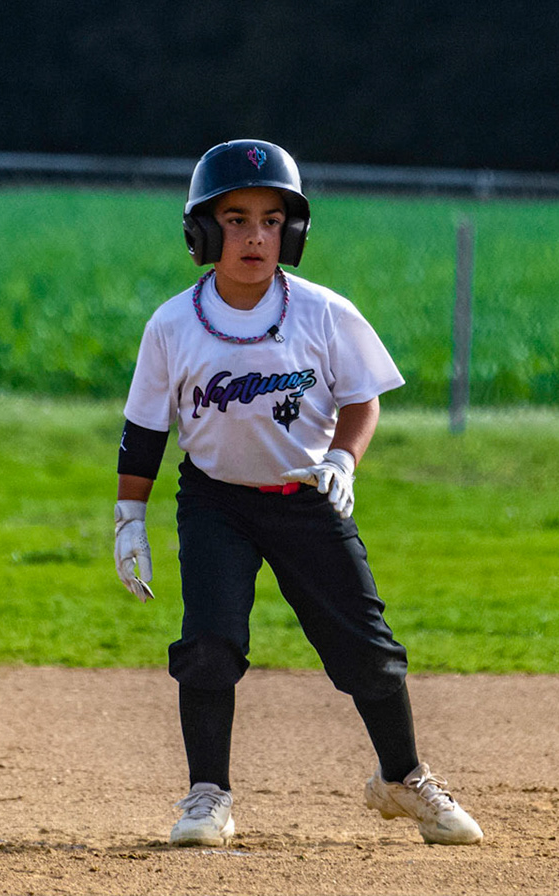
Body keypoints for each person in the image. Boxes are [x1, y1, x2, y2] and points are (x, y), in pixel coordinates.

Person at [113, 139, 481, 847]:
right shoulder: (173, 324)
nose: (256, 236)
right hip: (217, 499)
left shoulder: (322, 312)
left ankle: (402, 780)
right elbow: (144, 429)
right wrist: (130, 516)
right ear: (202, 230)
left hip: (308, 496)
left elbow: (362, 398)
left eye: (273, 220)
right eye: (237, 218)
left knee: (367, 650)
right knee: (210, 642)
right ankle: (208, 797)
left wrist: (344, 458)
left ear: (295, 230)